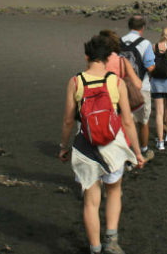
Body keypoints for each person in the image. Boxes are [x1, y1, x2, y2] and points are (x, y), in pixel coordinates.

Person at [59, 35, 144, 254]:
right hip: (113, 145)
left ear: (87, 56)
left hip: (85, 145)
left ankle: (94, 248)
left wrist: (63, 146)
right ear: (107, 58)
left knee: (90, 201)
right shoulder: (115, 82)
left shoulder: (75, 81)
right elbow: (127, 121)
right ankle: (111, 240)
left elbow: (69, 120)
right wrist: (136, 152)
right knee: (114, 192)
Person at [121, 16, 155, 157]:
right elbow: (150, 66)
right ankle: (143, 150)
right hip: (142, 87)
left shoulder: (119, 41)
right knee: (143, 121)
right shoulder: (145, 43)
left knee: (126, 120)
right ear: (142, 28)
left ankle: (127, 150)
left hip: (123, 86)